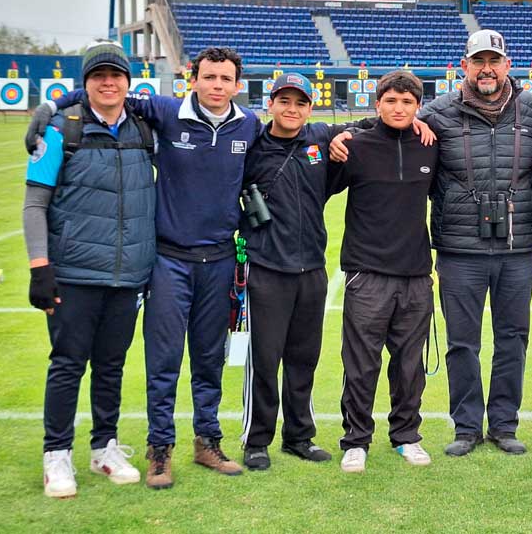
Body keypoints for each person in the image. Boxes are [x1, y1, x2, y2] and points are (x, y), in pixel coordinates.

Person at [30, 47, 258, 488]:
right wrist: (50, 105)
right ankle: (160, 449)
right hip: (169, 259)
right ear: (193, 78)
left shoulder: (248, 124)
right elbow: (106, 94)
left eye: (225, 79)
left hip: (220, 259)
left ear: (236, 84)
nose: (216, 85)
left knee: (209, 358)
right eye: (208, 76)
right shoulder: (166, 111)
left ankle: (208, 440)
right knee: (164, 360)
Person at [24, 40, 154, 497]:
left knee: (112, 365)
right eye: (98, 75)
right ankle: (56, 455)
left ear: (127, 82)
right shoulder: (62, 130)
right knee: (66, 365)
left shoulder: (144, 127)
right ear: (86, 83)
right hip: (75, 273)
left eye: (115, 75)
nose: (107, 82)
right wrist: (40, 267)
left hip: (128, 273)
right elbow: (35, 202)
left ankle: (104, 447)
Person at [418, 30, 532, 457]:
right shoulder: (435, 113)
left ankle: (504, 425)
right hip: (459, 249)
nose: (486, 69)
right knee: (462, 342)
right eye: (478, 61)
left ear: (508, 65)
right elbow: (387, 121)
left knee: (513, 338)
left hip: (517, 246)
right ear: (464, 65)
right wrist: (338, 135)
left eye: (494, 60)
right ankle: (467, 426)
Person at [327, 71, 439, 473]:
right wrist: (338, 135)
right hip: (367, 274)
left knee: (409, 366)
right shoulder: (354, 146)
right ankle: (355, 440)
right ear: (378, 104)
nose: (399, 109)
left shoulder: (431, 145)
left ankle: (406, 436)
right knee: (361, 364)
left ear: (418, 107)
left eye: (408, 103)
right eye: (391, 101)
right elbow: (318, 167)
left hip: (414, 276)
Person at [237, 73, 342, 471]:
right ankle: (256, 439)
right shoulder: (252, 146)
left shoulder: (318, 139)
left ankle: (299, 436)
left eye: (299, 102)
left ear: (309, 108)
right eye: (284, 101)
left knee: (304, 358)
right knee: (264, 358)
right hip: (266, 268)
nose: (291, 109)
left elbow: (369, 127)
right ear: (271, 104)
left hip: (311, 268)